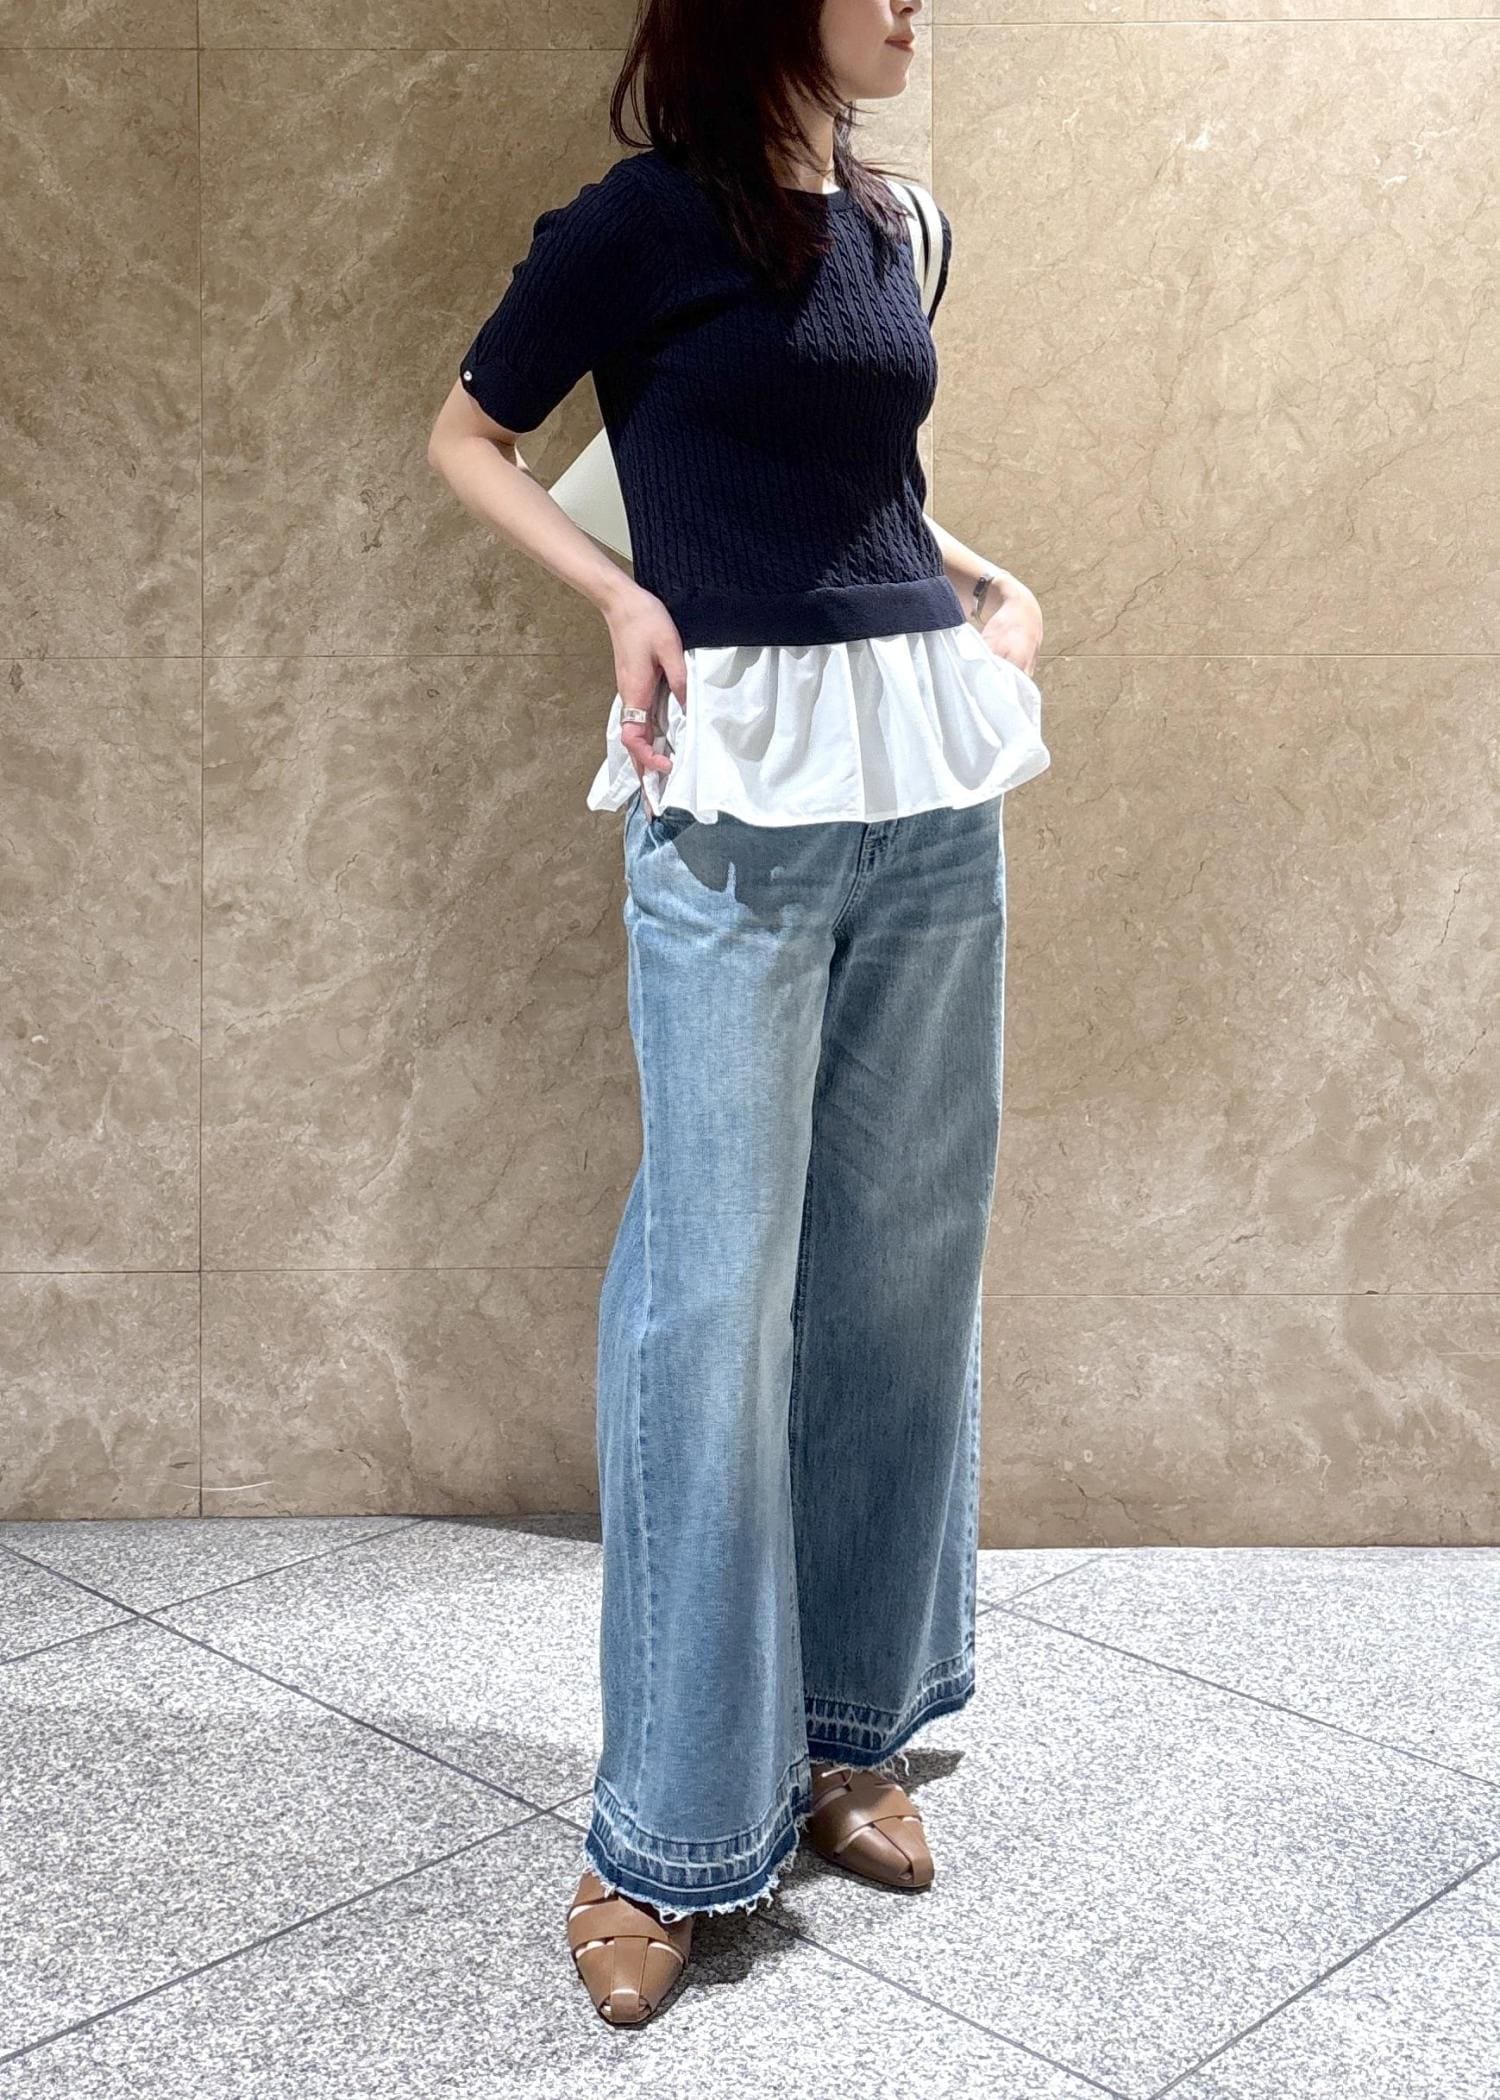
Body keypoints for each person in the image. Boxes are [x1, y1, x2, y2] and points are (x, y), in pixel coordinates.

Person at [427, 0, 1050, 2029]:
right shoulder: (638, 223)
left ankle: (851, 1731)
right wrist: (621, 597)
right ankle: (666, 1830)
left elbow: (857, 478)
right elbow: (467, 438)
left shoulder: (893, 224)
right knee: (712, 1289)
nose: (912, 5)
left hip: (931, 781)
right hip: (737, 793)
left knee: (899, 1260)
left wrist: (989, 587)